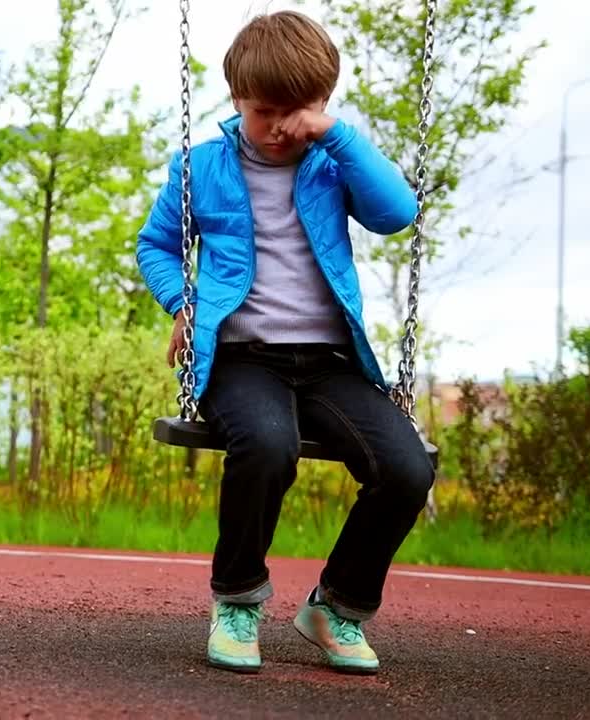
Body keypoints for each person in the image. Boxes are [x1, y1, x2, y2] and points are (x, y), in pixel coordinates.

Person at [135, 10, 435, 675]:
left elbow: (397, 213)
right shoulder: (202, 167)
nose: (278, 128)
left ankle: (338, 605)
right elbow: (156, 246)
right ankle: (238, 600)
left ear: (323, 104)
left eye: (296, 113)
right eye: (263, 112)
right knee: (267, 446)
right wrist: (183, 302)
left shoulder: (333, 165)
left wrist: (337, 135)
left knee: (408, 470)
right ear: (236, 99)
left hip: (331, 363)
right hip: (242, 359)